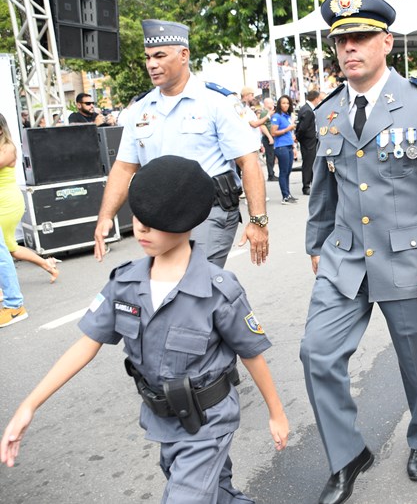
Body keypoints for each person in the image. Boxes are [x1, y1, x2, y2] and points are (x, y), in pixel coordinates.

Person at [0, 155, 289, 501]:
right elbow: (85, 345)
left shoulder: (218, 289)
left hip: (209, 424)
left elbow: (251, 352)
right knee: (217, 492)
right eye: (139, 217)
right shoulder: (125, 283)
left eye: (156, 221)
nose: (141, 228)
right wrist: (29, 404)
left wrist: (277, 412)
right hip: (164, 422)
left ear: (186, 222)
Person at [301, 0, 417, 504]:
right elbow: (321, 189)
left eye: (360, 38)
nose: (349, 49)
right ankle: (347, 453)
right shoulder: (328, 112)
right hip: (345, 257)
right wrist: (316, 245)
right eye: (341, 41)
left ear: (385, 42)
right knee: (317, 353)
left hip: (408, 258)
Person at [93, 19, 268, 269]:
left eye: (160, 56)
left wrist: (258, 221)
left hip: (209, 213)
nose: (151, 64)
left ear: (183, 55)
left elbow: (247, 160)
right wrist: (105, 216)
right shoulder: (139, 110)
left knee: (191, 285)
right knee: (172, 289)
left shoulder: (216, 102)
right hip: (159, 215)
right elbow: (123, 167)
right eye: (148, 57)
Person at [0, 113, 60, 286]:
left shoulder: (8, 148)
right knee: (11, 247)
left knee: (5, 247)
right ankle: (48, 265)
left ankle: (5, 289)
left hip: (7, 202)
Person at [271, 95, 298, 204]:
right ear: (279, 104)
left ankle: (288, 193)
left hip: (288, 145)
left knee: (288, 171)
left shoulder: (286, 116)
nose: (286, 105)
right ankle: (285, 196)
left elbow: (289, 131)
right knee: (283, 171)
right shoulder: (276, 116)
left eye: (287, 103)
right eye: (283, 103)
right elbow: (273, 133)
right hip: (281, 146)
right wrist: (288, 129)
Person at [296, 90, 324, 195]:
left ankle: (311, 183)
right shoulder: (308, 110)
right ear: (316, 98)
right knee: (308, 163)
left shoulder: (307, 108)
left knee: (311, 163)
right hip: (308, 141)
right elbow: (302, 128)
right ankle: (306, 186)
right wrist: (299, 137)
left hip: (310, 140)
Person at [260, 97, 279, 182]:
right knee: (270, 156)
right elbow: (262, 125)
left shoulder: (271, 113)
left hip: (272, 136)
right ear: (266, 104)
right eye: (271, 103)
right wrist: (269, 137)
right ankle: (271, 174)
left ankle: (272, 173)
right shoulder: (264, 112)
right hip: (268, 137)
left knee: (273, 156)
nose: (272, 104)